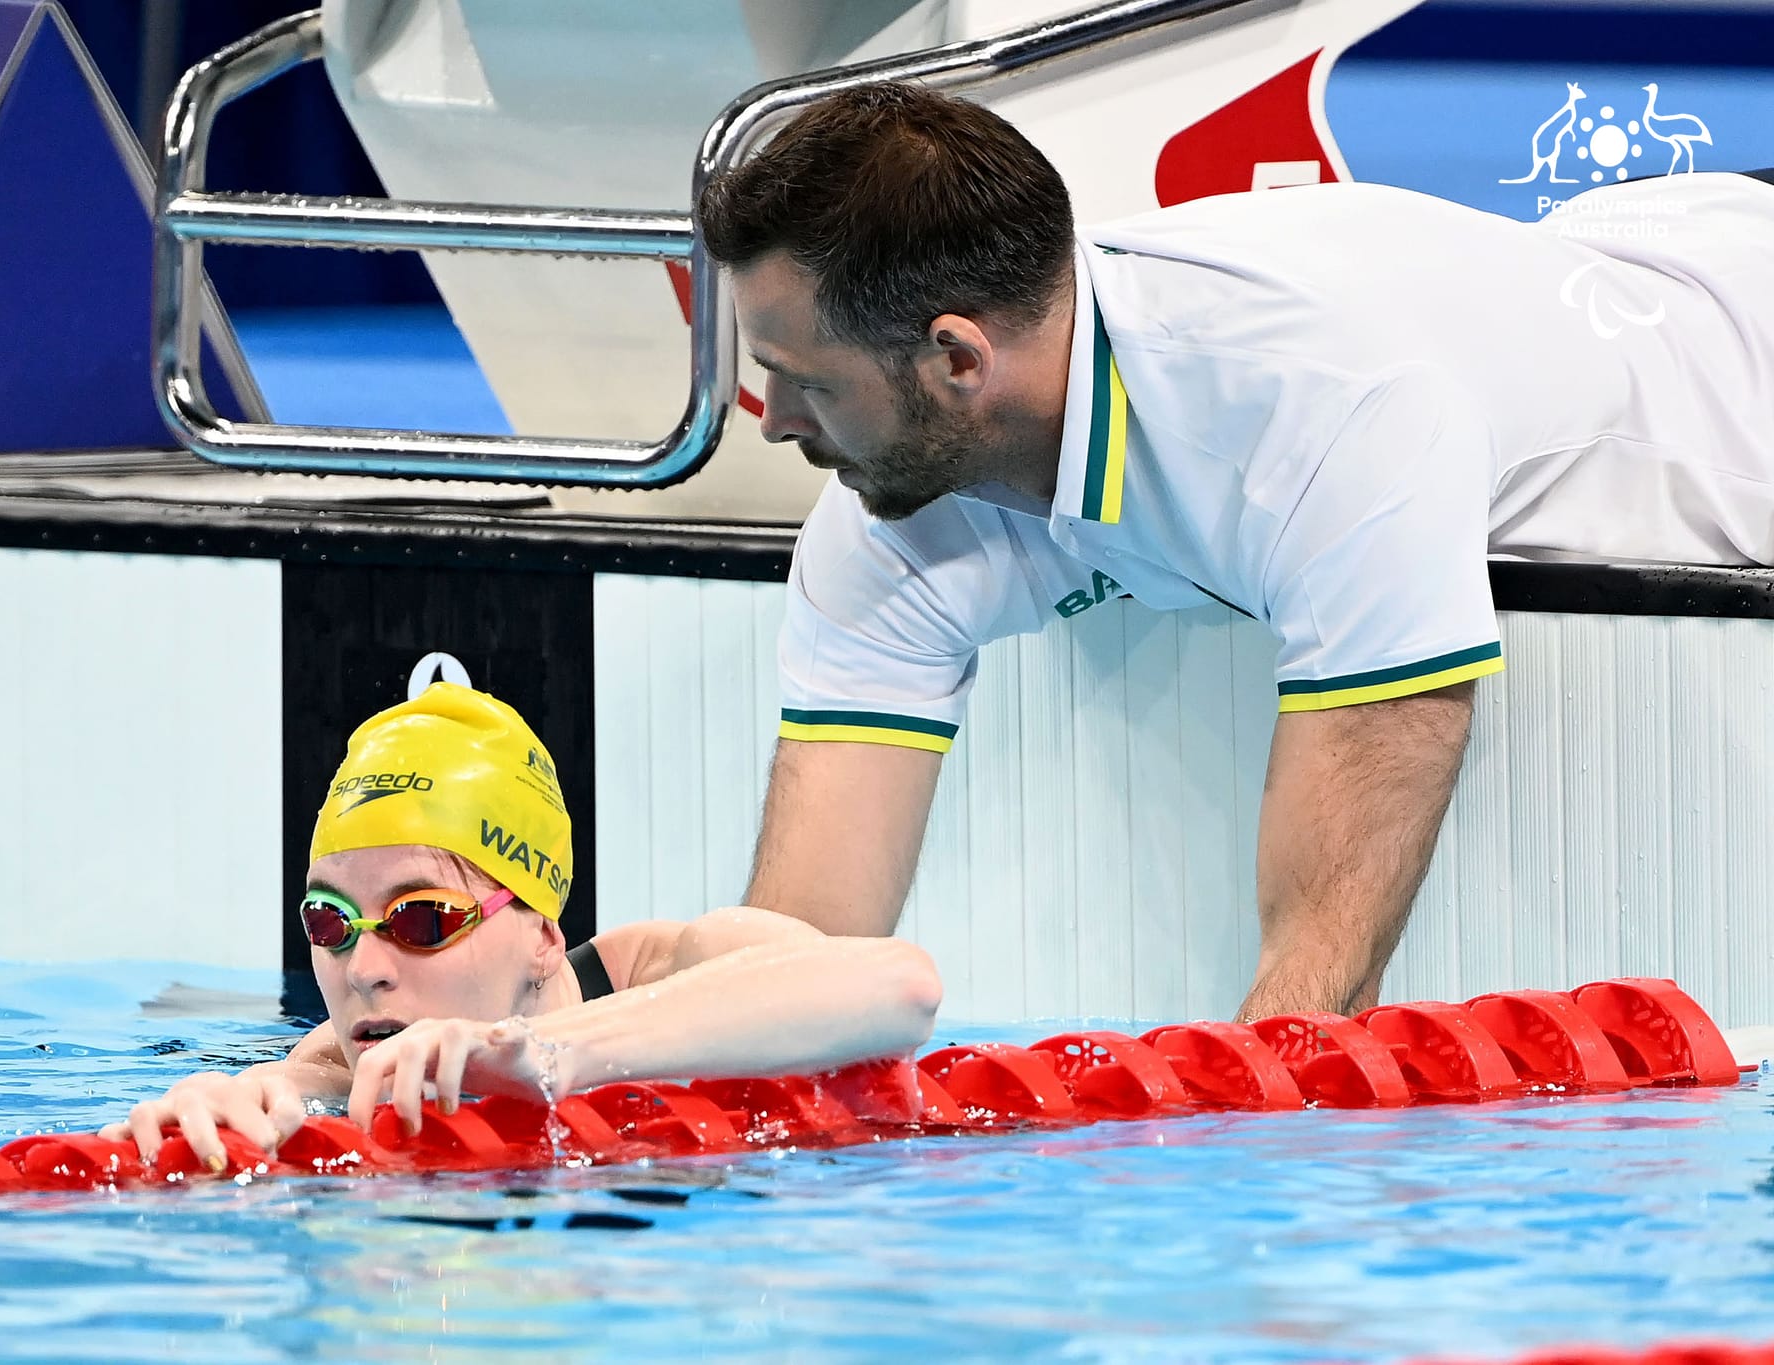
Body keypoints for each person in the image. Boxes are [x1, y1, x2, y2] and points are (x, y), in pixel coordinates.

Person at [693, 83, 1774, 1022]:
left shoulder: (1319, 411)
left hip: (1736, 360)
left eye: (808, 380)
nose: (773, 419)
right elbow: (800, 955)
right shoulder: (888, 497)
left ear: (955, 358)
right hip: (1620, 256)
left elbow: (1317, 981)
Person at [105, 681, 941, 1170]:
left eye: (420, 917)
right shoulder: (339, 1053)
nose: (364, 967)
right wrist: (230, 1110)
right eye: (332, 921)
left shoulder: (684, 962)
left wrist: (550, 1053)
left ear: (542, 932)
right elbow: (287, 1094)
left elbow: (903, 987)